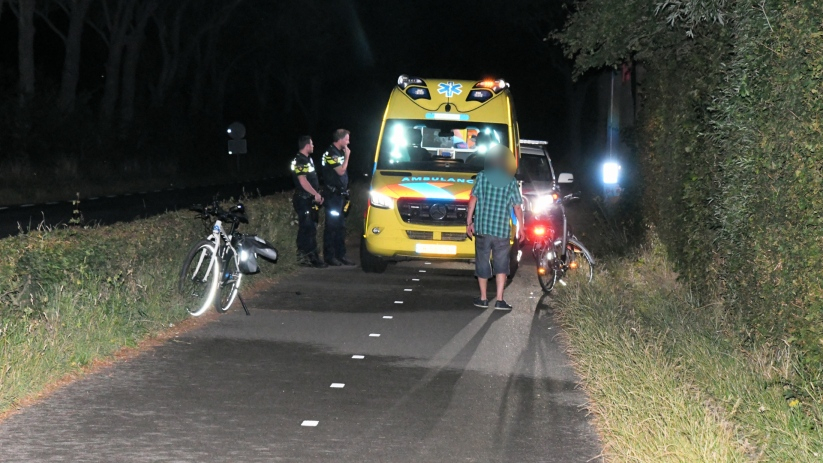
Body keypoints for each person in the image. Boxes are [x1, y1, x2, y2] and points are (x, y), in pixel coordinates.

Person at [465, 144, 524, 310]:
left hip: (483, 228)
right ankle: (499, 299)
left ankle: (483, 298)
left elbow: (472, 201)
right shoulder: (511, 181)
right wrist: (522, 227)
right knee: (501, 264)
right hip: (501, 231)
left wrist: (469, 222)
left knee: (482, 261)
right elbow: (517, 207)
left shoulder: (482, 177)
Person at [320, 129, 355, 266]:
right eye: (347, 139)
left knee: (340, 226)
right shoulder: (330, 154)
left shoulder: (338, 153)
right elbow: (340, 171)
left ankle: (341, 255)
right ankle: (329, 256)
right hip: (332, 196)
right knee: (331, 226)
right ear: (340, 139)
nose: (348, 142)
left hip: (340, 196)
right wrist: (347, 157)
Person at [291, 135, 327, 268]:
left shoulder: (307, 159)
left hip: (308, 199)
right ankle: (313, 258)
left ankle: (302, 257)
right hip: (303, 199)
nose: (313, 146)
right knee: (309, 229)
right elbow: (303, 181)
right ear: (306, 146)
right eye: (311, 144)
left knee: (306, 229)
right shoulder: (300, 160)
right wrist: (315, 193)